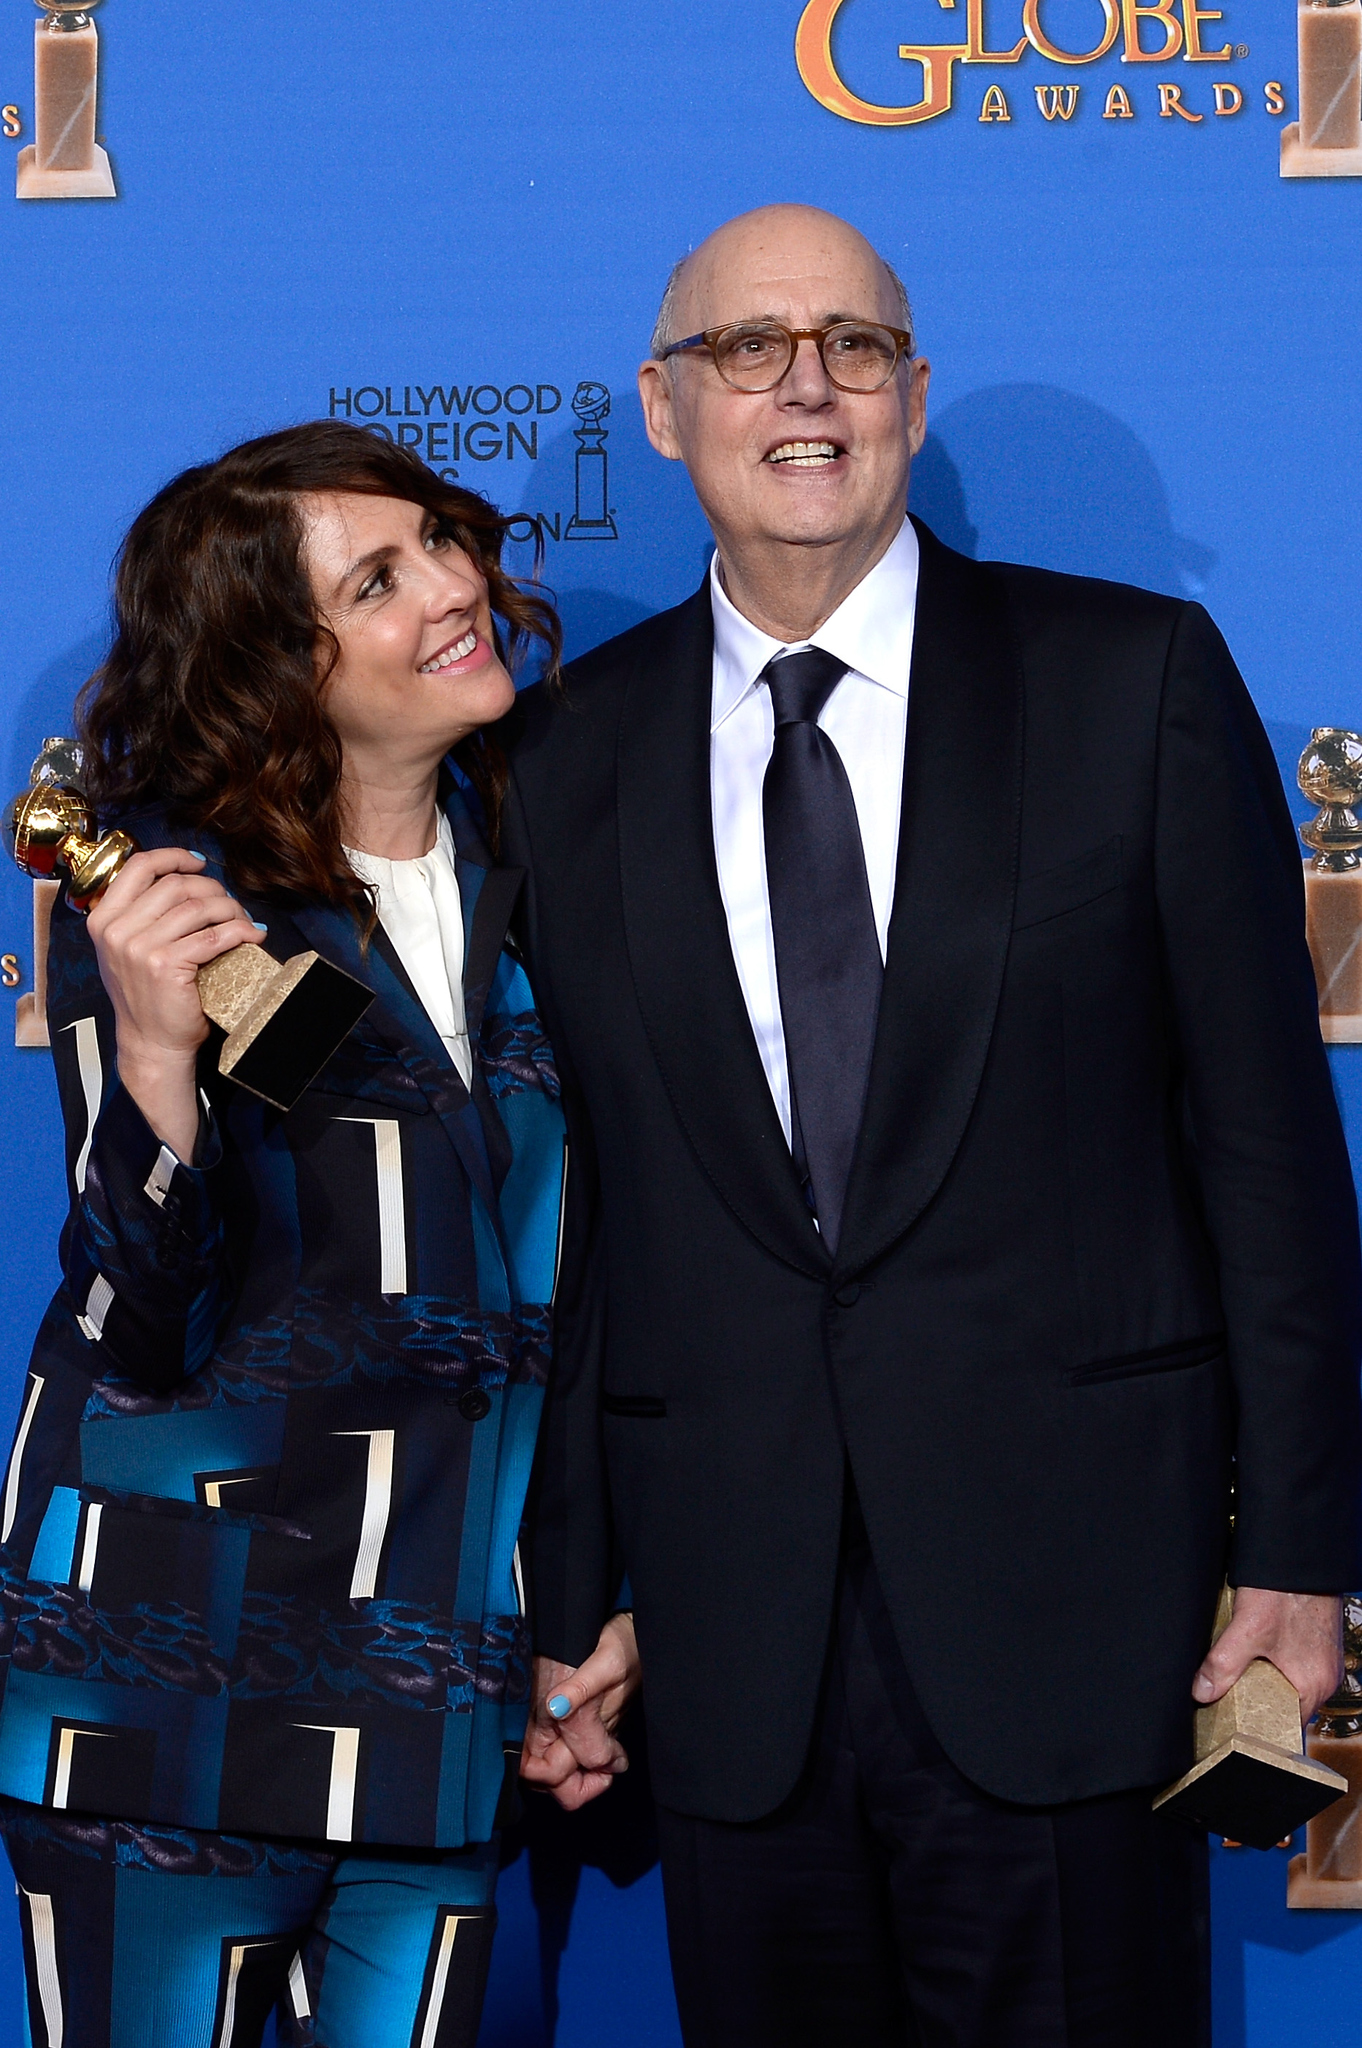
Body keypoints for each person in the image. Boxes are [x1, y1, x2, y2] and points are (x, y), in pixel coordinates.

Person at [506, 204, 1362, 2044]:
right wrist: (565, 1588)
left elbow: (1270, 1157)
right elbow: (578, 1218)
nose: (803, 386)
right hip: (727, 1643)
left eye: (853, 344)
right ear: (663, 411)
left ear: (910, 391)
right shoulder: (567, 749)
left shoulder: (1129, 679)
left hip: (1079, 1613)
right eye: (748, 349)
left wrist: (1296, 1557)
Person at [0, 420, 565, 2048]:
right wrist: (162, 1061)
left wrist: (574, 1604)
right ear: (271, 668)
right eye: (378, 581)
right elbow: (133, 1324)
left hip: (440, 1700)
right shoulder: (168, 893)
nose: (454, 590)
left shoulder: (544, 866)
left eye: (442, 541)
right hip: (167, 1695)